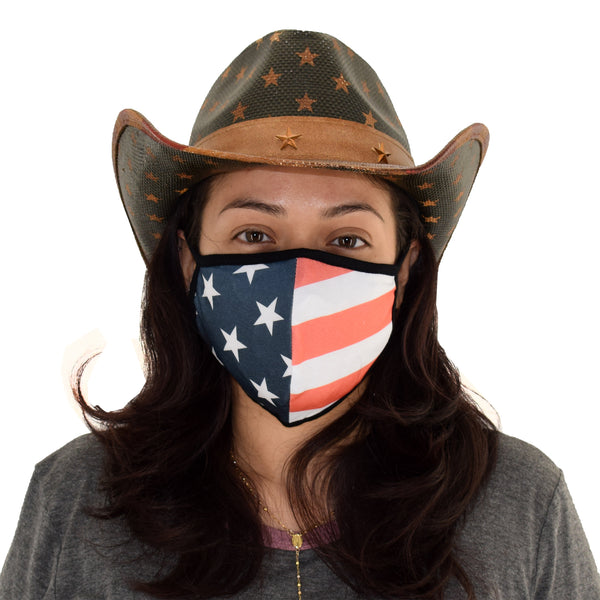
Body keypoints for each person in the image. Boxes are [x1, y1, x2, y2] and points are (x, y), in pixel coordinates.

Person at [1, 29, 598, 600]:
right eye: (254, 233)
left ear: (406, 270)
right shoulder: (75, 498)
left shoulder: (522, 501)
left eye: (347, 240)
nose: (301, 279)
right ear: (187, 262)